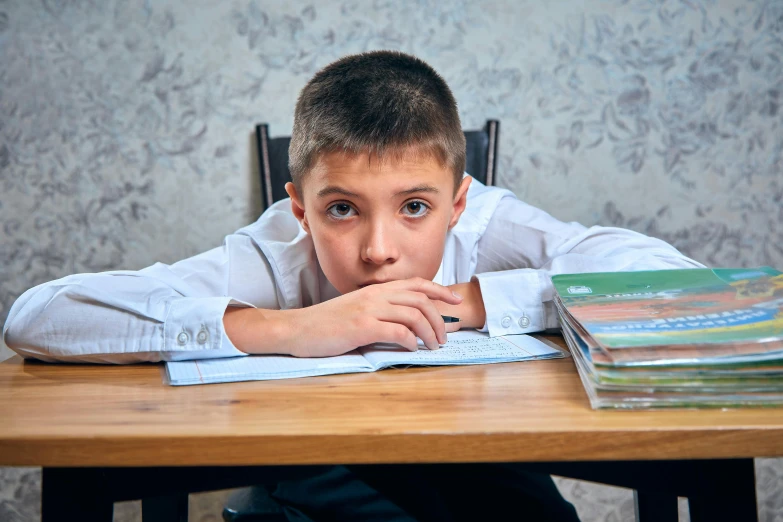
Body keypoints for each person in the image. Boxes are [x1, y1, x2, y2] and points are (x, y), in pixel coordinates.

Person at [3, 50, 704, 521]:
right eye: (341, 209)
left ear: (458, 203)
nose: (378, 250)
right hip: (305, 477)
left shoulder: (489, 226)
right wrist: (288, 329)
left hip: (479, 471)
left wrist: (483, 299)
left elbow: (688, 288)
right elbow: (38, 317)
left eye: (414, 208)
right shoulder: (277, 248)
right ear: (301, 206)